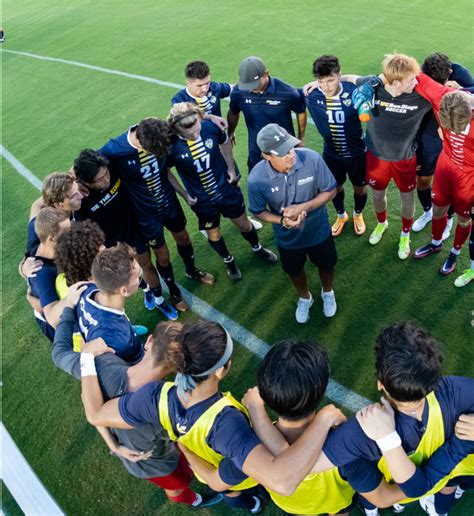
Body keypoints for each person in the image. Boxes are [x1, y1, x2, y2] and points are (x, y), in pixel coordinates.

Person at [80, 318, 346, 512]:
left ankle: (248, 504)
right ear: (221, 370)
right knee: (237, 487)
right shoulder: (227, 424)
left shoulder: (154, 397)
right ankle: (250, 502)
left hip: (211, 464)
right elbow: (283, 481)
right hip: (239, 468)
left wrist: (86, 359)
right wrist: (323, 419)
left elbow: (95, 414)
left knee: (232, 490)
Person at [51, 310, 222, 509]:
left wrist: (68, 312)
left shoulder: (102, 364)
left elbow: (62, 358)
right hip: (158, 463)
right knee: (179, 484)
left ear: (149, 341)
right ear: (180, 368)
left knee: (183, 474)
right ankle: (193, 500)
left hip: (146, 458)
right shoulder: (164, 409)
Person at [246, 340, 404, 515]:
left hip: (292, 506)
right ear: (321, 390)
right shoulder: (347, 450)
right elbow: (381, 496)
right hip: (337, 503)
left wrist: (256, 412)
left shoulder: (252, 443)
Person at [99, 118, 215, 312]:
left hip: (169, 203)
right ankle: (174, 290)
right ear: (143, 145)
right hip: (146, 215)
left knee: (184, 238)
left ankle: (192, 271)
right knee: (162, 255)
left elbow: (184, 118)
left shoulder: (160, 131)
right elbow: (85, 165)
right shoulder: (114, 149)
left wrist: (211, 118)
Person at [166, 102, 277, 280]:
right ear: (177, 129)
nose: (196, 135)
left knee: (244, 224)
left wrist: (231, 168)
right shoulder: (170, 146)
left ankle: (257, 248)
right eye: (190, 133)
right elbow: (166, 171)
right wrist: (184, 194)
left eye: (197, 128)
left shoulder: (209, 126)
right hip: (202, 201)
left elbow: (224, 142)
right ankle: (229, 261)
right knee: (214, 233)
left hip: (226, 190)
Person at [248, 123, 337, 323]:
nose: (291, 155)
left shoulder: (311, 158)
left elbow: (330, 190)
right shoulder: (256, 179)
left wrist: (303, 207)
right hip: (287, 240)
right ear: (266, 155)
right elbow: (258, 211)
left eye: (290, 148)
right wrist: (282, 220)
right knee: (294, 270)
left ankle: (328, 292)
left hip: (319, 232)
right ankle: (305, 297)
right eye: (283, 153)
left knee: (327, 264)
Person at [73, 149, 177, 320]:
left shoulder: (111, 167)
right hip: (112, 242)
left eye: (106, 173)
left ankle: (159, 300)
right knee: (127, 274)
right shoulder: (81, 200)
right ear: (86, 182)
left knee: (146, 265)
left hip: (133, 229)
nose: (106, 179)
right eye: (100, 179)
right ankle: (146, 289)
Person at [350, 54, 432, 259]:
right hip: (376, 157)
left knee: (407, 197)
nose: (416, 81)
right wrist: (317, 83)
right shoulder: (373, 87)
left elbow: (449, 95)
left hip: (405, 158)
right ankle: (381, 223)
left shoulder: (421, 94)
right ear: (395, 82)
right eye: (411, 79)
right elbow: (350, 79)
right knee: (378, 195)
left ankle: (405, 234)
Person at [410, 73, 473, 275]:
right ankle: (436, 243)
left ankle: (454, 253)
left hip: (469, 176)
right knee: (438, 210)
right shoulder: (442, 96)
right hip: (445, 167)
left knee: (464, 220)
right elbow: (406, 70)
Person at [305, 55, 368, 236]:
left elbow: (374, 81)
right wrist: (314, 84)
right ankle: (341, 216)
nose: (326, 87)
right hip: (332, 155)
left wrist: (348, 77)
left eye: (330, 80)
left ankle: (357, 214)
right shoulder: (311, 94)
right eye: (321, 81)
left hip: (357, 154)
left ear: (339, 75)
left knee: (360, 187)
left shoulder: (354, 90)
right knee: (335, 188)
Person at [227, 56, 307, 173]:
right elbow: (233, 111)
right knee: (258, 180)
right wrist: (230, 132)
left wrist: (301, 138)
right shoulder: (239, 92)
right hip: (256, 150)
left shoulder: (287, 92)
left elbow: (301, 112)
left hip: (283, 149)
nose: (251, 89)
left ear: (266, 74)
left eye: (254, 84)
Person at [76, 243, 144, 364]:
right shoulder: (121, 342)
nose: (139, 278)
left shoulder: (85, 290)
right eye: (138, 276)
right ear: (124, 291)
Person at [27, 207, 72, 340]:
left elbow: (35, 206)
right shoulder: (42, 273)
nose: (72, 234)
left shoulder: (37, 234)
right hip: (57, 326)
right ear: (52, 239)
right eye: (67, 232)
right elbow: (52, 317)